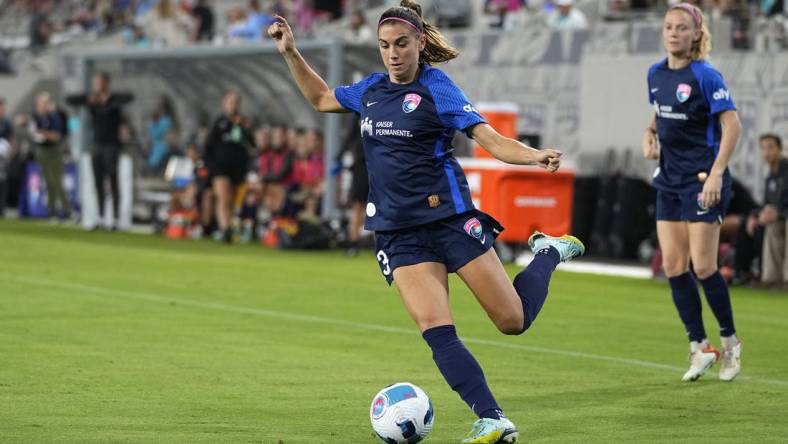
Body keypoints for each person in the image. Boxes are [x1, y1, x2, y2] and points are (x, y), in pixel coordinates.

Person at [268, 2, 584, 442]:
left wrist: (534, 156)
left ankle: (548, 252)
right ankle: (492, 418)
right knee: (436, 330)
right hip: (399, 233)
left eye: (401, 44)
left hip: (449, 220)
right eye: (384, 46)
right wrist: (290, 53)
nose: (393, 54)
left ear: (420, 42)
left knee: (512, 321)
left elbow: (489, 139)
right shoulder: (372, 91)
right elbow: (322, 99)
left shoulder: (439, 89)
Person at [642, 3, 743, 383]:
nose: (673, 33)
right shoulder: (655, 73)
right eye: (669, 26)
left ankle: (731, 342)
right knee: (673, 266)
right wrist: (648, 135)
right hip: (668, 180)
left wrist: (717, 174)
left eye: (681, 28)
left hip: (703, 181)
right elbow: (658, 113)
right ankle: (700, 348)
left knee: (703, 266)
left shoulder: (706, 75)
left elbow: (733, 127)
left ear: (696, 34)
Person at [67, 71, 133, 230]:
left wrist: (107, 99)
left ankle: (116, 219)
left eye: (99, 82)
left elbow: (129, 97)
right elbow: (71, 99)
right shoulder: (93, 101)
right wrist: (91, 98)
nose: (97, 85)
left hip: (112, 145)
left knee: (113, 180)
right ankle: (101, 217)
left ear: (106, 83)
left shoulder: (114, 101)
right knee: (98, 181)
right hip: (97, 145)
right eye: (95, 82)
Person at [203, 90, 253, 243]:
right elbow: (208, 146)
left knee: (231, 200)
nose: (233, 106)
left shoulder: (243, 122)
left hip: (237, 168)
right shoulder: (219, 123)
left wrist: (245, 128)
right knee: (223, 197)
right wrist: (209, 165)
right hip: (220, 167)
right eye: (230, 102)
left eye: (235, 103)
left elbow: (251, 144)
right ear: (225, 104)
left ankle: (228, 227)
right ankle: (225, 229)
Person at [747, 134, 788, 286]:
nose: (767, 152)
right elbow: (767, 203)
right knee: (771, 227)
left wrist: (779, 213)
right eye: (763, 148)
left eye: (771, 147)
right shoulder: (770, 177)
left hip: (785, 216)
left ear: (779, 149)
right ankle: (771, 278)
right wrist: (756, 215)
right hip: (780, 218)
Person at [28, 92, 72, 221]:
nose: (42, 106)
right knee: (48, 181)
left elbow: (56, 136)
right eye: (40, 104)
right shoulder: (36, 118)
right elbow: (33, 133)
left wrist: (43, 133)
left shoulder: (55, 117)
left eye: (44, 103)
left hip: (55, 151)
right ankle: (51, 209)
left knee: (56, 181)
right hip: (42, 151)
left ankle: (66, 209)